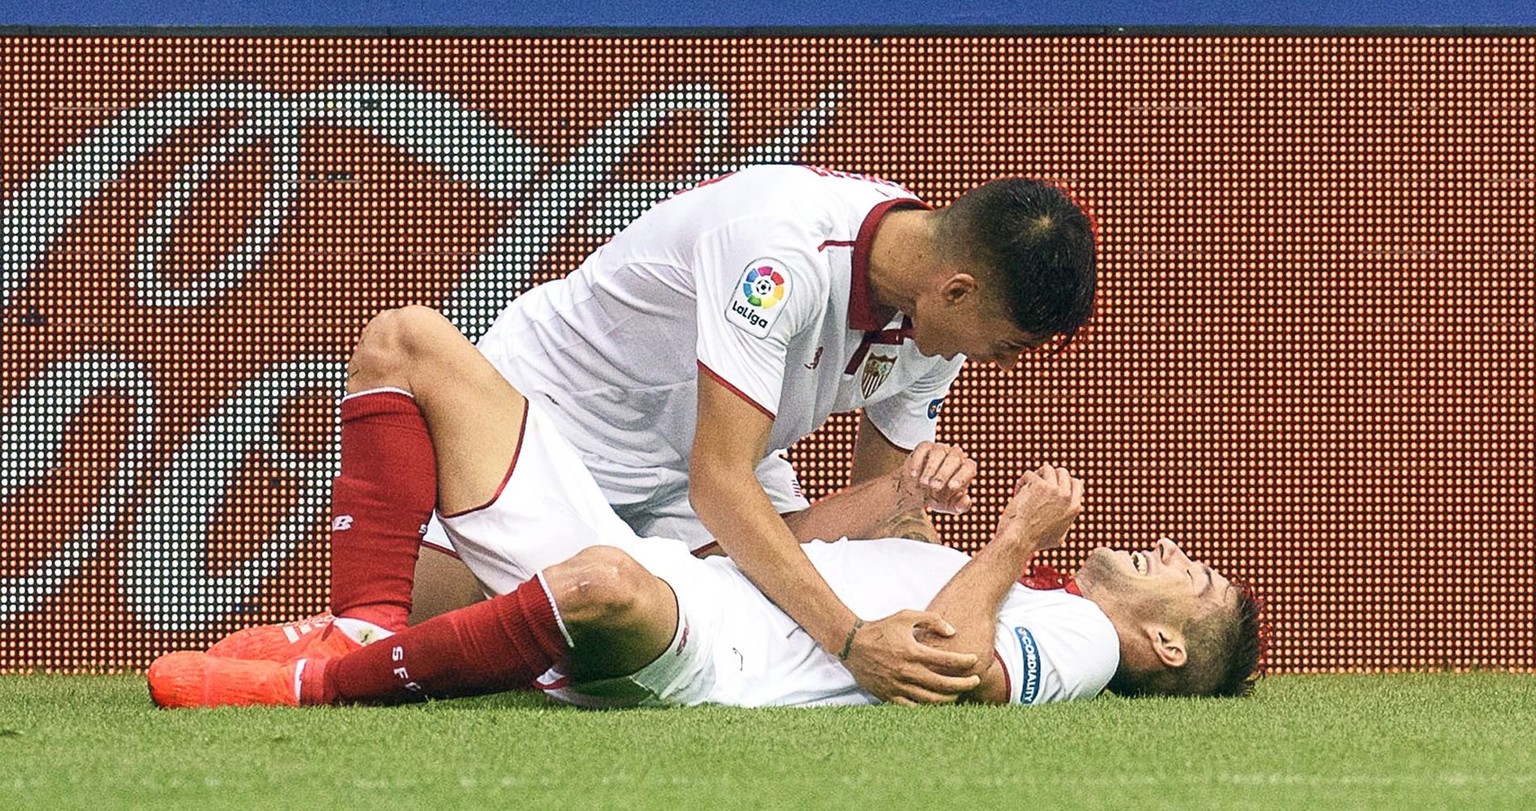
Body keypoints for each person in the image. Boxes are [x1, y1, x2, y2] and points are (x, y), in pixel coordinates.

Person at [217, 165, 1100, 705]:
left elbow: (884, 520)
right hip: (568, 422)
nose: (1004, 363)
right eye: (1010, 345)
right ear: (958, 289)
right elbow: (723, 482)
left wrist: (925, 553)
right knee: (430, 634)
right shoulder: (781, 252)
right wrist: (847, 641)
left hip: (704, 471)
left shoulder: (932, 321)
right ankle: (354, 636)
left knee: (652, 619)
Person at [150, 309, 1264, 710]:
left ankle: (315, 684)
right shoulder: (1026, 591)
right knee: (408, 342)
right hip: (693, 574)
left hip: (707, 656)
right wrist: (895, 502)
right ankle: (358, 631)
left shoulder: (1076, 640)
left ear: (1162, 639)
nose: (1172, 549)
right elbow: (787, 551)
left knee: (598, 587)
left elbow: (955, 669)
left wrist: (1018, 535)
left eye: (1191, 575)